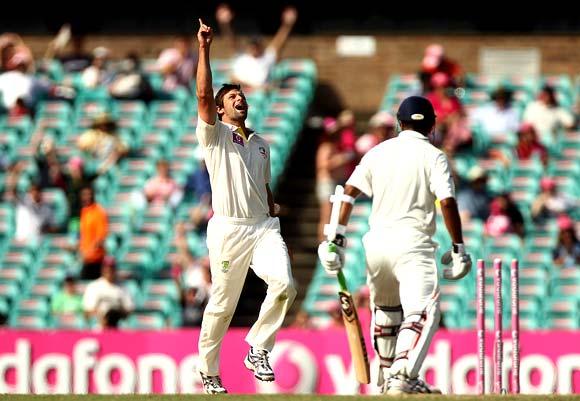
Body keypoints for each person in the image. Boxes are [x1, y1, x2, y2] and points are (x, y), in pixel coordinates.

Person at [317, 96, 472, 394]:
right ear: (432, 125)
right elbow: (448, 201)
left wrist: (333, 239)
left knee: (387, 312)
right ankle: (402, 374)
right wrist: (458, 247)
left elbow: (347, 193)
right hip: (413, 244)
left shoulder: (378, 152)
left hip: (376, 246)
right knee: (423, 311)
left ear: (399, 123)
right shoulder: (434, 156)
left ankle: (388, 378)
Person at [195, 19, 296, 394]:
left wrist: (272, 206)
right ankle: (208, 370)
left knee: (285, 284)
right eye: (232, 97)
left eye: (242, 95)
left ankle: (258, 347)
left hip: (263, 228)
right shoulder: (215, 136)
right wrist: (204, 48)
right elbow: (203, 95)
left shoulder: (263, 144)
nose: (240, 99)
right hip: (228, 229)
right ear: (220, 111)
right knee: (222, 306)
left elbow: (265, 188)